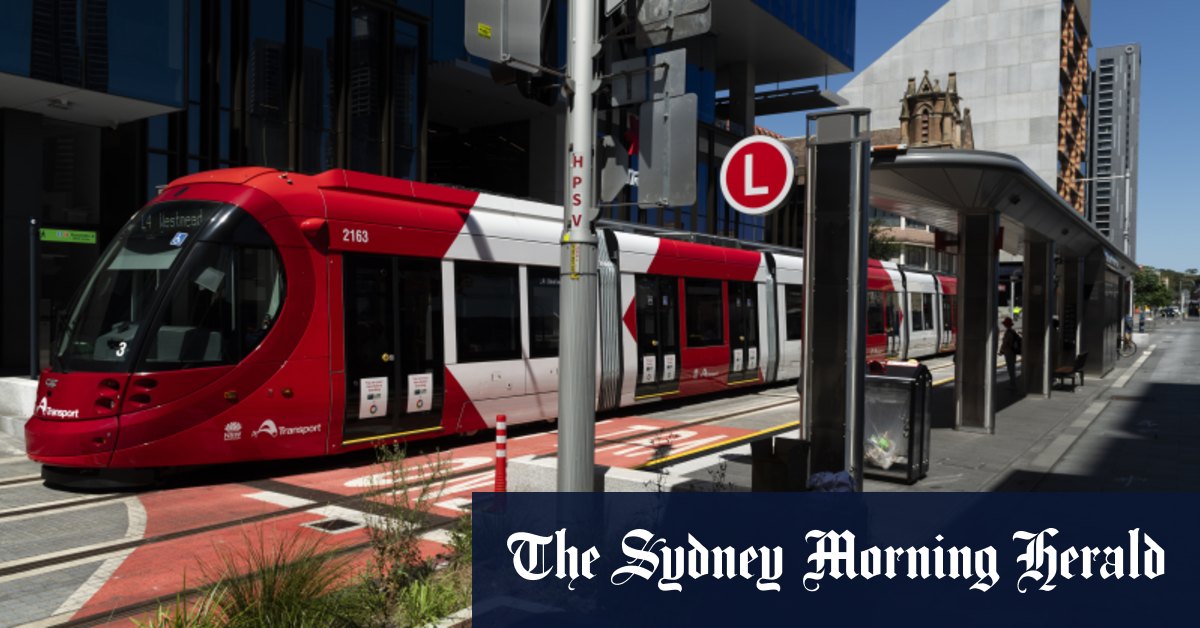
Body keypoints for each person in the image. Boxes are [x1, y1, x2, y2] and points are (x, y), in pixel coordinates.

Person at [999, 316, 1020, 392]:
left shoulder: (1008, 333)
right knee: (1012, 368)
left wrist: (1001, 351)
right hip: (1012, 352)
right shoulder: (1012, 331)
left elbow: (1005, 343)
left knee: (1011, 369)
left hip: (1009, 353)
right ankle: (1013, 384)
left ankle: (1013, 384)